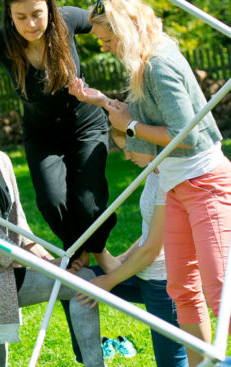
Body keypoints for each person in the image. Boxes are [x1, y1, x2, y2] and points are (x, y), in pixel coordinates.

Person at [68, 1, 231, 365]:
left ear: (122, 30)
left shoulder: (158, 64)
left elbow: (183, 134)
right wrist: (99, 101)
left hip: (205, 183)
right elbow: (139, 131)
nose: (103, 47)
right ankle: (203, 363)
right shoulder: (142, 66)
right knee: (181, 289)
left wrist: (129, 125)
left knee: (220, 289)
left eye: (105, 39)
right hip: (176, 187)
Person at [0, 0, 117, 261]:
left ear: (50, 9)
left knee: (88, 205)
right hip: (43, 136)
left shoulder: (67, 20)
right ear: (9, 15)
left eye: (37, 14)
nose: (30, 24)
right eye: (20, 17)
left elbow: (116, 19)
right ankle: (79, 257)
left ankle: (99, 255)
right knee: (52, 204)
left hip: (85, 126)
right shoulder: (2, 41)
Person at [0, 96, 105, 367]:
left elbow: (18, 224)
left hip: (3, 271)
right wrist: (49, 267)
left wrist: (52, 259)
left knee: (83, 280)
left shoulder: (2, 160)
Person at [74, 128, 188, 367]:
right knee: (76, 282)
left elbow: (152, 249)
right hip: (141, 273)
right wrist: (122, 258)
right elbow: (149, 233)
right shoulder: (154, 173)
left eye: (127, 148)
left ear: (146, 142)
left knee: (173, 364)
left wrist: (109, 280)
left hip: (162, 283)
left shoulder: (169, 176)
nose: (126, 156)